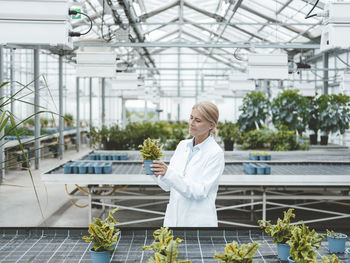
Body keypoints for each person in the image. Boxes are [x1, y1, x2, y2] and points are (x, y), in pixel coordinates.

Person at [150, 101, 225, 227]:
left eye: (198, 120)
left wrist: (168, 173)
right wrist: (154, 170)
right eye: (191, 118)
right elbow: (167, 185)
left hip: (198, 223)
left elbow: (199, 191)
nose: (191, 123)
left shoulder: (215, 153)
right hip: (174, 220)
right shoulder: (182, 145)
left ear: (211, 125)